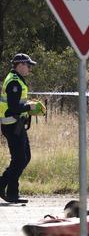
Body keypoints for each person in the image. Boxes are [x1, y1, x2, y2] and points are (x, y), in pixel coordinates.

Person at [0, 53, 40, 203]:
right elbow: (13, 107)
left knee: (24, 158)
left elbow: (16, 104)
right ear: (21, 65)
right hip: (12, 125)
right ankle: (6, 188)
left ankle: (11, 192)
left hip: (17, 125)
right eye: (28, 65)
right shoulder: (14, 83)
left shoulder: (16, 80)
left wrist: (28, 105)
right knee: (20, 159)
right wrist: (29, 106)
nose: (30, 69)